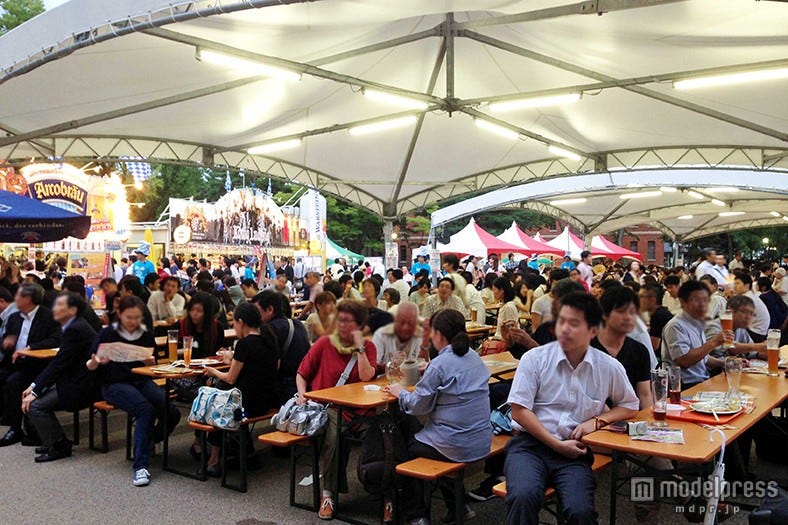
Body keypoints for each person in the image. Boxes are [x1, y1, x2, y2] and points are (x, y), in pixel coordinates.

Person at [504, 292, 639, 525]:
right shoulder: (534, 359)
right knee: (523, 497)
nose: (565, 329)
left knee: (580, 512)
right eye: (562, 321)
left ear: (593, 330)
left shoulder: (607, 366)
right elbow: (519, 411)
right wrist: (557, 444)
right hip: (529, 447)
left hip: (575, 452)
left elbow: (630, 404)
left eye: (574, 324)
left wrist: (596, 421)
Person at [387, 309, 491, 525]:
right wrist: (430, 370)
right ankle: (457, 506)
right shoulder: (474, 357)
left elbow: (417, 406)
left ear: (439, 335)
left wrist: (400, 392)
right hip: (481, 440)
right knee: (434, 440)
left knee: (409, 448)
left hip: (458, 444)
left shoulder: (440, 364)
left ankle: (417, 515)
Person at [87, 296, 180, 486]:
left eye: (137, 318)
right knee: (145, 409)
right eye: (129, 318)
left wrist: (149, 362)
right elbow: (89, 365)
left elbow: (150, 362)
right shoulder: (107, 334)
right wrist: (96, 361)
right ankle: (140, 466)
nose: (134, 322)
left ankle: (149, 440)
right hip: (113, 384)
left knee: (171, 411)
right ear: (120, 315)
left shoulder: (144, 334)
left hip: (141, 380)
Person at [295, 300, 377, 520]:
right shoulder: (324, 344)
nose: (342, 325)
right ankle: (327, 494)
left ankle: (383, 490)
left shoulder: (368, 347)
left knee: (381, 431)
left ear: (359, 325)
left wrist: (360, 348)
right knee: (334, 431)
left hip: (359, 410)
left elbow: (367, 376)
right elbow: (301, 373)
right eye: (339, 320)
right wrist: (302, 395)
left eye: (348, 321)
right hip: (327, 408)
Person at [201, 302, 279, 476]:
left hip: (244, 408)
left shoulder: (245, 344)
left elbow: (230, 378)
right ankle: (242, 451)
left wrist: (213, 371)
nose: (234, 327)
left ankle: (213, 459)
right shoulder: (269, 339)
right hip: (265, 402)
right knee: (221, 395)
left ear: (241, 322)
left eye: (235, 323)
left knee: (216, 401)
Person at [22, 292, 98, 462]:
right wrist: (35, 386)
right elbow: (59, 363)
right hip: (74, 378)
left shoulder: (75, 328)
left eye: (59, 306)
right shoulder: (73, 326)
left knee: (35, 405)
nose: (54, 308)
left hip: (82, 384)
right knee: (33, 396)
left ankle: (59, 445)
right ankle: (54, 440)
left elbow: (58, 364)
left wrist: (35, 389)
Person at [0, 282, 61, 447]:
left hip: (35, 363)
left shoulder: (48, 317)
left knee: (13, 382)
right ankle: (8, 417)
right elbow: (6, 339)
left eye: (18, 295)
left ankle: (15, 428)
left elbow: (55, 340)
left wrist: (31, 347)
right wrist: (6, 343)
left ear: (28, 299)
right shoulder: (14, 317)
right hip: (13, 361)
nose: (15, 299)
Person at [591, 287, 652, 409]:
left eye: (632, 312)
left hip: (631, 419)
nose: (628, 317)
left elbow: (644, 394)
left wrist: (649, 422)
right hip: (593, 421)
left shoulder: (640, 351)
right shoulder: (587, 348)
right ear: (604, 314)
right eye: (621, 311)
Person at [661, 280, 727, 390]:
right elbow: (684, 361)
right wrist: (714, 342)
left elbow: (703, 357)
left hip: (702, 381)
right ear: (683, 302)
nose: (702, 305)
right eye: (696, 300)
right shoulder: (675, 326)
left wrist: (726, 363)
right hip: (684, 386)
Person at [253, 291, 310, 402]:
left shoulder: (271, 329)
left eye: (256, 311)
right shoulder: (297, 323)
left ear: (270, 310)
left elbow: (272, 363)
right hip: (304, 380)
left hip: (285, 385)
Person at [372, 301, 427, 372]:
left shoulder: (421, 336)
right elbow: (373, 365)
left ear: (416, 323)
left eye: (410, 323)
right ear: (395, 320)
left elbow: (424, 365)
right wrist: (391, 366)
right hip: (384, 380)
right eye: (402, 322)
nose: (405, 327)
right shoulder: (381, 334)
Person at [733, 273, 770, 342]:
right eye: (734, 284)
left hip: (755, 334)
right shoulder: (750, 295)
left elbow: (736, 318)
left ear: (747, 285)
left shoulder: (746, 298)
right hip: (761, 332)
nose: (734, 286)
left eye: (737, 284)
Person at [639, 283, 673, 355]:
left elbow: (654, 346)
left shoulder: (658, 316)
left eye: (641, 297)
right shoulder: (661, 312)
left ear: (652, 300)